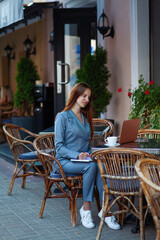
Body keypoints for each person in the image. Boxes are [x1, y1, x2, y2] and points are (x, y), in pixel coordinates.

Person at [54, 82, 120, 230]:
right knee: (91, 167)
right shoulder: (62, 117)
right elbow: (58, 147)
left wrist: (96, 151)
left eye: (88, 97)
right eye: (84, 95)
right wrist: (78, 155)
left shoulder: (85, 117)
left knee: (100, 166)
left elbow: (86, 144)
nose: (86, 99)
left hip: (84, 160)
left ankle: (106, 211)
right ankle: (86, 208)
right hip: (64, 161)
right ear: (75, 94)